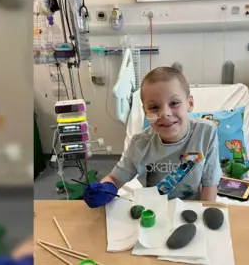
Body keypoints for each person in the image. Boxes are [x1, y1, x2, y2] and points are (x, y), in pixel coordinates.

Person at [84, 67, 223, 208]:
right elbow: (114, 179)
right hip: (152, 210)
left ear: (190, 103)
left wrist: (205, 215)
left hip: (191, 209)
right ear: (145, 112)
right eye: (154, 107)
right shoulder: (140, 144)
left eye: (174, 103)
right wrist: (105, 190)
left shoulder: (206, 133)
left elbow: (209, 184)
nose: (165, 113)